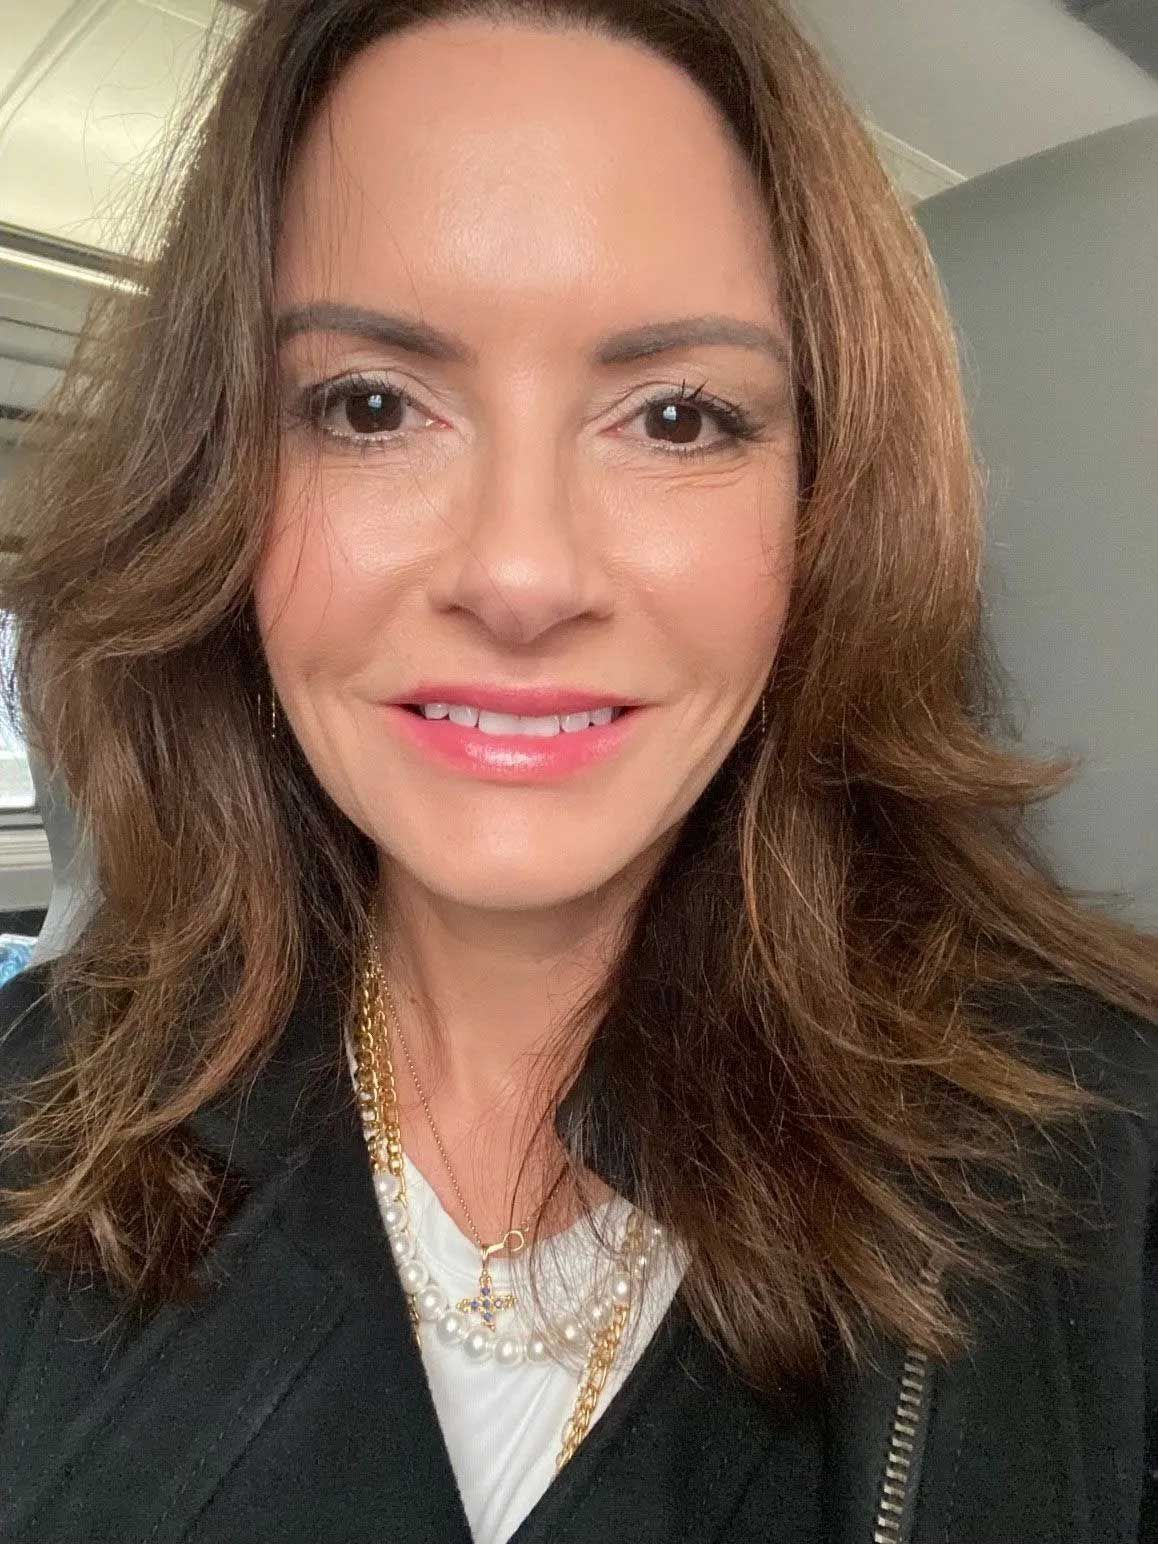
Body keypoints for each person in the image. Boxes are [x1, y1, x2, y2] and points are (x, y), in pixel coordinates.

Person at [0, 2, 1155, 1540]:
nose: (523, 573)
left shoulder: (1108, 1153)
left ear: (823, 506)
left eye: (677, 417)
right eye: (370, 407)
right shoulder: (33, 1110)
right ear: (223, 483)